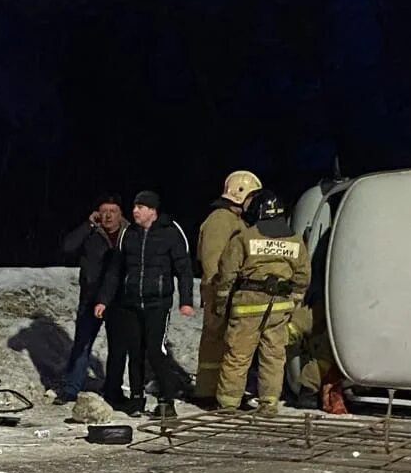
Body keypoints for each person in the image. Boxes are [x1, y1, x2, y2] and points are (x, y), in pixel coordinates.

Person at [94, 190, 195, 418]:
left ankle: (166, 401)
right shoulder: (128, 233)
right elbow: (115, 271)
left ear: (152, 210)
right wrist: (104, 300)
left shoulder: (171, 232)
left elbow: (184, 270)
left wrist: (186, 301)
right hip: (131, 303)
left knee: (155, 350)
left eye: (140, 207)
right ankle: (136, 400)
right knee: (135, 352)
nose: (135, 211)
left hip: (157, 303)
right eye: (134, 207)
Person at [213, 190, 309, 415]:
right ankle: (268, 403)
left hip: (248, 305)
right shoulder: (295, 240)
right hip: (280, 308)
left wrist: (221, 302)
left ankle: (228, 404)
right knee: (274, 356)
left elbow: (228, 273)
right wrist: (293, 302)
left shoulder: (245, 237)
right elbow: (303, 277)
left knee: (238, 355)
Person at [194, 169, 262, 407]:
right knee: (217, 341)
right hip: (219, 289)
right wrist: (220, 291)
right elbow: (213, 259)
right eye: (252, 196)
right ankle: (208, 392)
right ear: (239, 194)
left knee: (225, 342)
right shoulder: (221, 220)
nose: (253, 202)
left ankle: (216, 390)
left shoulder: (234, 220)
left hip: (227, 289)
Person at [55, 194, 125, 402]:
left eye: (113, 211)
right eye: (104, 212)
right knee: (82, 344)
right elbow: (67, 247)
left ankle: (113, 390)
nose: (108, 216)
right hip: (90, 298)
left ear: (121, 214)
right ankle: (70, 389)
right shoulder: (91, 233)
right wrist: (88, 225)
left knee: (118, 347)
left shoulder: (129, 234)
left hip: (119, 300)